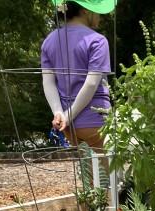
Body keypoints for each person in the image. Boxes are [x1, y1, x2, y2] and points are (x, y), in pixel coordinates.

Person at [41, 0, 115, 151]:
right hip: (96, 121)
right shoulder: (97, 40)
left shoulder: (49, 41)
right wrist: (68, 116)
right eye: (96, 10)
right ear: (85, 11)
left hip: (68, 127)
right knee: (106, 165)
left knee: (86, 165)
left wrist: (59, 113)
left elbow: (48, 83)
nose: (99, 15)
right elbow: (91, 83)